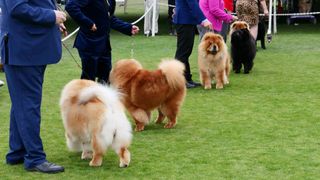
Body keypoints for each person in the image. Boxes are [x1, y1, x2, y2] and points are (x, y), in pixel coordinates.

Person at [1, 0, 67, 173]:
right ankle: (35, 158)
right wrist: (51, 16)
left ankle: (17, 152)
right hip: (24, 49)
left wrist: (52, 23)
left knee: (21, 104)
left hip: (28, 47)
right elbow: (18, 8)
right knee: (28, 105)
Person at [65, 0, 139, 83]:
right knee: (88, 80)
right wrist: (88, 23)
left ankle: (103, 95)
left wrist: (128, 28)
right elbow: (70, 6)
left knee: (107, 78)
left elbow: (109, 18)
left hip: (104, 45)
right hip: (89, 44)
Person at [173, 0, 213, 88]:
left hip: (186, 20)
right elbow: (192, 4)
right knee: (182, 53)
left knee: (185, 52)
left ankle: (187, 78)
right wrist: (204, 20)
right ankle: (179, 80)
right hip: (184, 21)